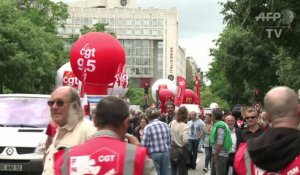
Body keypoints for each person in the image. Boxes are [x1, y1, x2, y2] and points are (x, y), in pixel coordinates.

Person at [54, 96, 156, 175]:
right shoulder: (138, 156)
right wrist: (139, 149)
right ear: (126, 123)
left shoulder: (66, 158)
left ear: (94, 120)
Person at [234, 86, 300, 174]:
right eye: (248, 118)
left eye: (252, 117)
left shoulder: (244, 154)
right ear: (299, 111)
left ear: (267, 116)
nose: (250, 119)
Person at [43, 86, 97, 175]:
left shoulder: (89, 130)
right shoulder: (60, 129)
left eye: (60, 103)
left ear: (74, 106)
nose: (54, 107)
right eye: (51, 103)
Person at [141, 107, 171, 175]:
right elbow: (169, 140)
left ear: (147, 116)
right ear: (157, 115)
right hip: (165, 153)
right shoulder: (166, 125)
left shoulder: (148, 127)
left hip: (154, 154)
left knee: (155, 173)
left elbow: (144, 144)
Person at [210, 108, 232, 175]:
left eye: (212, 115)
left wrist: (216, 154)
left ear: (214, 116)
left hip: (220, 155)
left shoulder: (220, 126)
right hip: (218, 154)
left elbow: (220, 142)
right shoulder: (219, 124)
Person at [170, 106, 189, 175]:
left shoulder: (173, 122)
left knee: (173, 169)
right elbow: (185, 140)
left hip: (172, 149)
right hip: (180, 150)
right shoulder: (185, 126)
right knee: (181, 170)